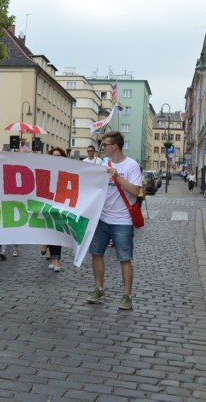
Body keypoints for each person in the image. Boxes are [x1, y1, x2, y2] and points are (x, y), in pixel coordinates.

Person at [86, 131, 142, 310]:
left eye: (105, 145)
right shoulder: (103, 164)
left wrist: (117, 177)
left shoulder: (131, 165)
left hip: (122, 220)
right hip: (102, 218)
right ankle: (99, 288)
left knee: (124, 258)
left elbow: (136, 191)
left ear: (115, 146)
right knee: (96, 254)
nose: (102, 148)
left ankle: (127, 296)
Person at [46, 147, 69, 272]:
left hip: (61, 205)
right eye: (54, 155)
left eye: (59, 156)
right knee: (49, 233)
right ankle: (53, 259)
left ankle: (57, 260)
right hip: (48, 205)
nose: (56, 158)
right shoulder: (46, 169)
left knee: (58, 233)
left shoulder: (66, 170)